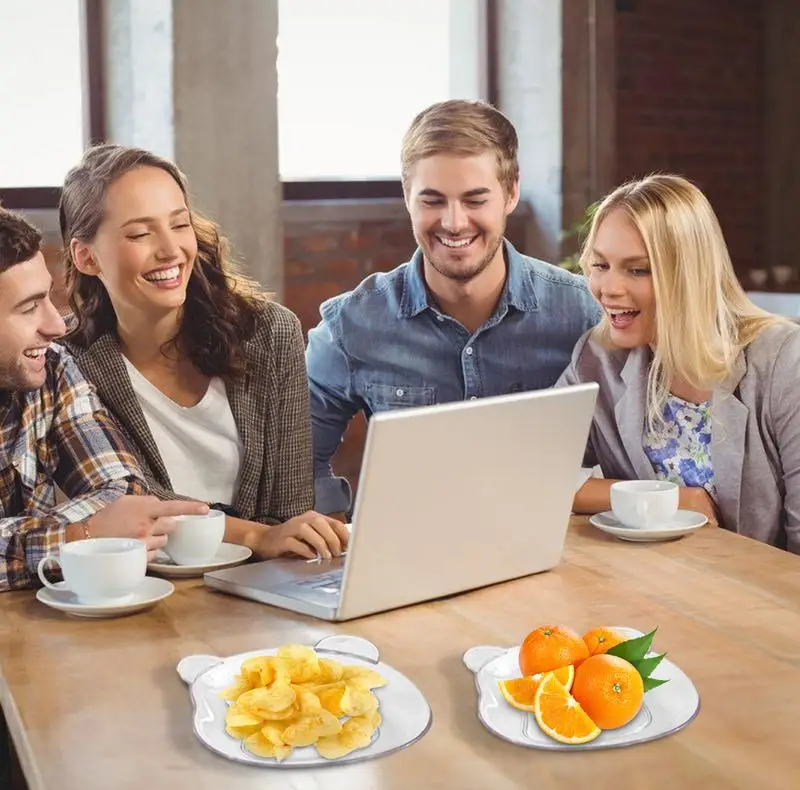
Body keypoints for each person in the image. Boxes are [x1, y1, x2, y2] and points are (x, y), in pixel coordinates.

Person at [306, 99, 601, 514]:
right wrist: (340, 526)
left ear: (511, 192)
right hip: (408, 559)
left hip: (551, 558)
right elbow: (296, 463)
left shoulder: (584, 313)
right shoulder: (350, 325)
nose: (454, 222)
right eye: (433, 201)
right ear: (407, 196)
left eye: (475, 199)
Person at [61, 145, 348, 560]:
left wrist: (282, 539)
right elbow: (129, 504)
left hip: (262, 586)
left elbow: (289, 510)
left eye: (179, 225)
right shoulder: (65, 365)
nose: (170, 250)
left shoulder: (269, 333)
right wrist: (255, 536)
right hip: (141, 591)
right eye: (141, 233)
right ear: (86, 257)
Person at [557, 173, 800, 553]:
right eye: (601, 265)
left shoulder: (784, 361)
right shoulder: (597, 358)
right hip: (659, 591)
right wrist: (672, 497)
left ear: (689, 275)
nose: (608, 288)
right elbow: (534, 477)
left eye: (638, 269)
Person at [0, 207, 208, 591]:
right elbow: (106, 523)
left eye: (47, 298)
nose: (56, 325)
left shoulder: (54, 368)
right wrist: (79, 536)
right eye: (29, 307)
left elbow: (123, 491)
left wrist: (79, 535)